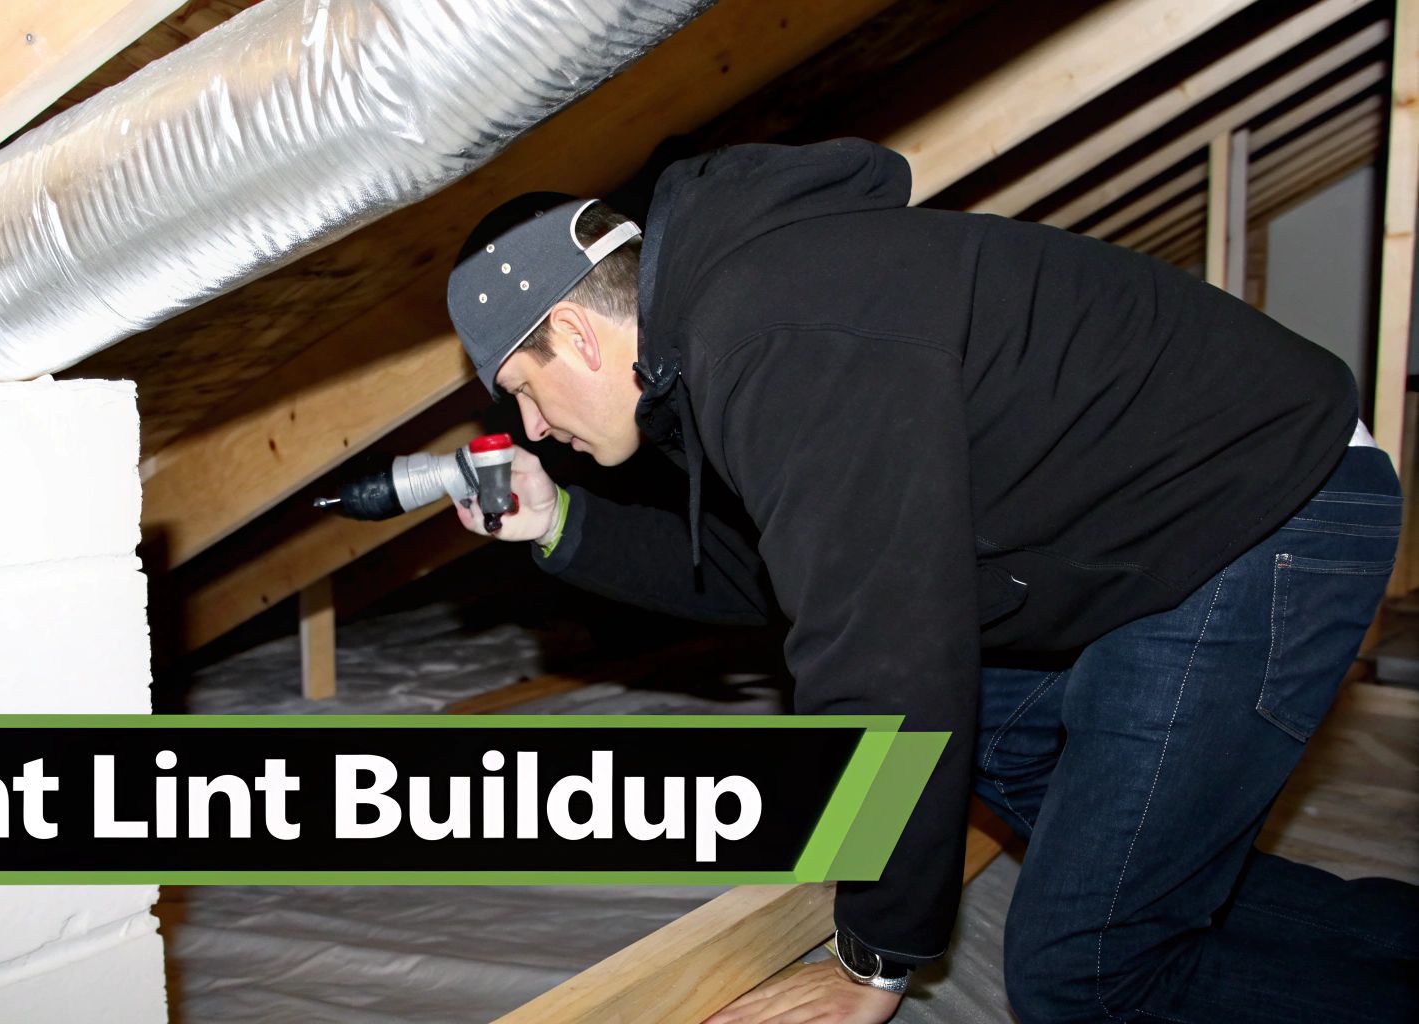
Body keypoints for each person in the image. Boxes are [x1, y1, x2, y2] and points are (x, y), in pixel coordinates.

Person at [443, 139, 1419, 1023]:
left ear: (572, 335)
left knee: (1084, 972)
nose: (532, 428)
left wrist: (871, 956)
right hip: (1184, 527)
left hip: (1263, 511)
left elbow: (880, 645)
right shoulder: (737, 323)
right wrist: (562, 523)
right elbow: (780, 573)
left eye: (523, 390)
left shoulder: (769, 332)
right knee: (1093, 833)